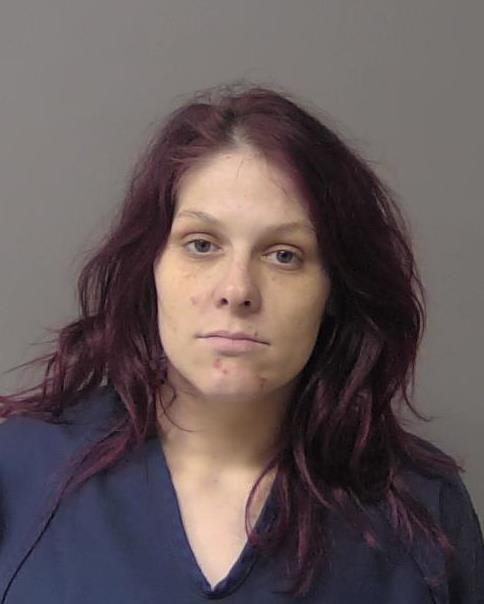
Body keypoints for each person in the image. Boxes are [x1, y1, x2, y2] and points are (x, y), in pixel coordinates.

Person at [0, 81, 482, 603]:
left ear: (335, 290)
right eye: (201, 245)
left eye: (284, 255)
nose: (237, 290)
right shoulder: (20, 471)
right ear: (151, 267)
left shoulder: (424, 510)